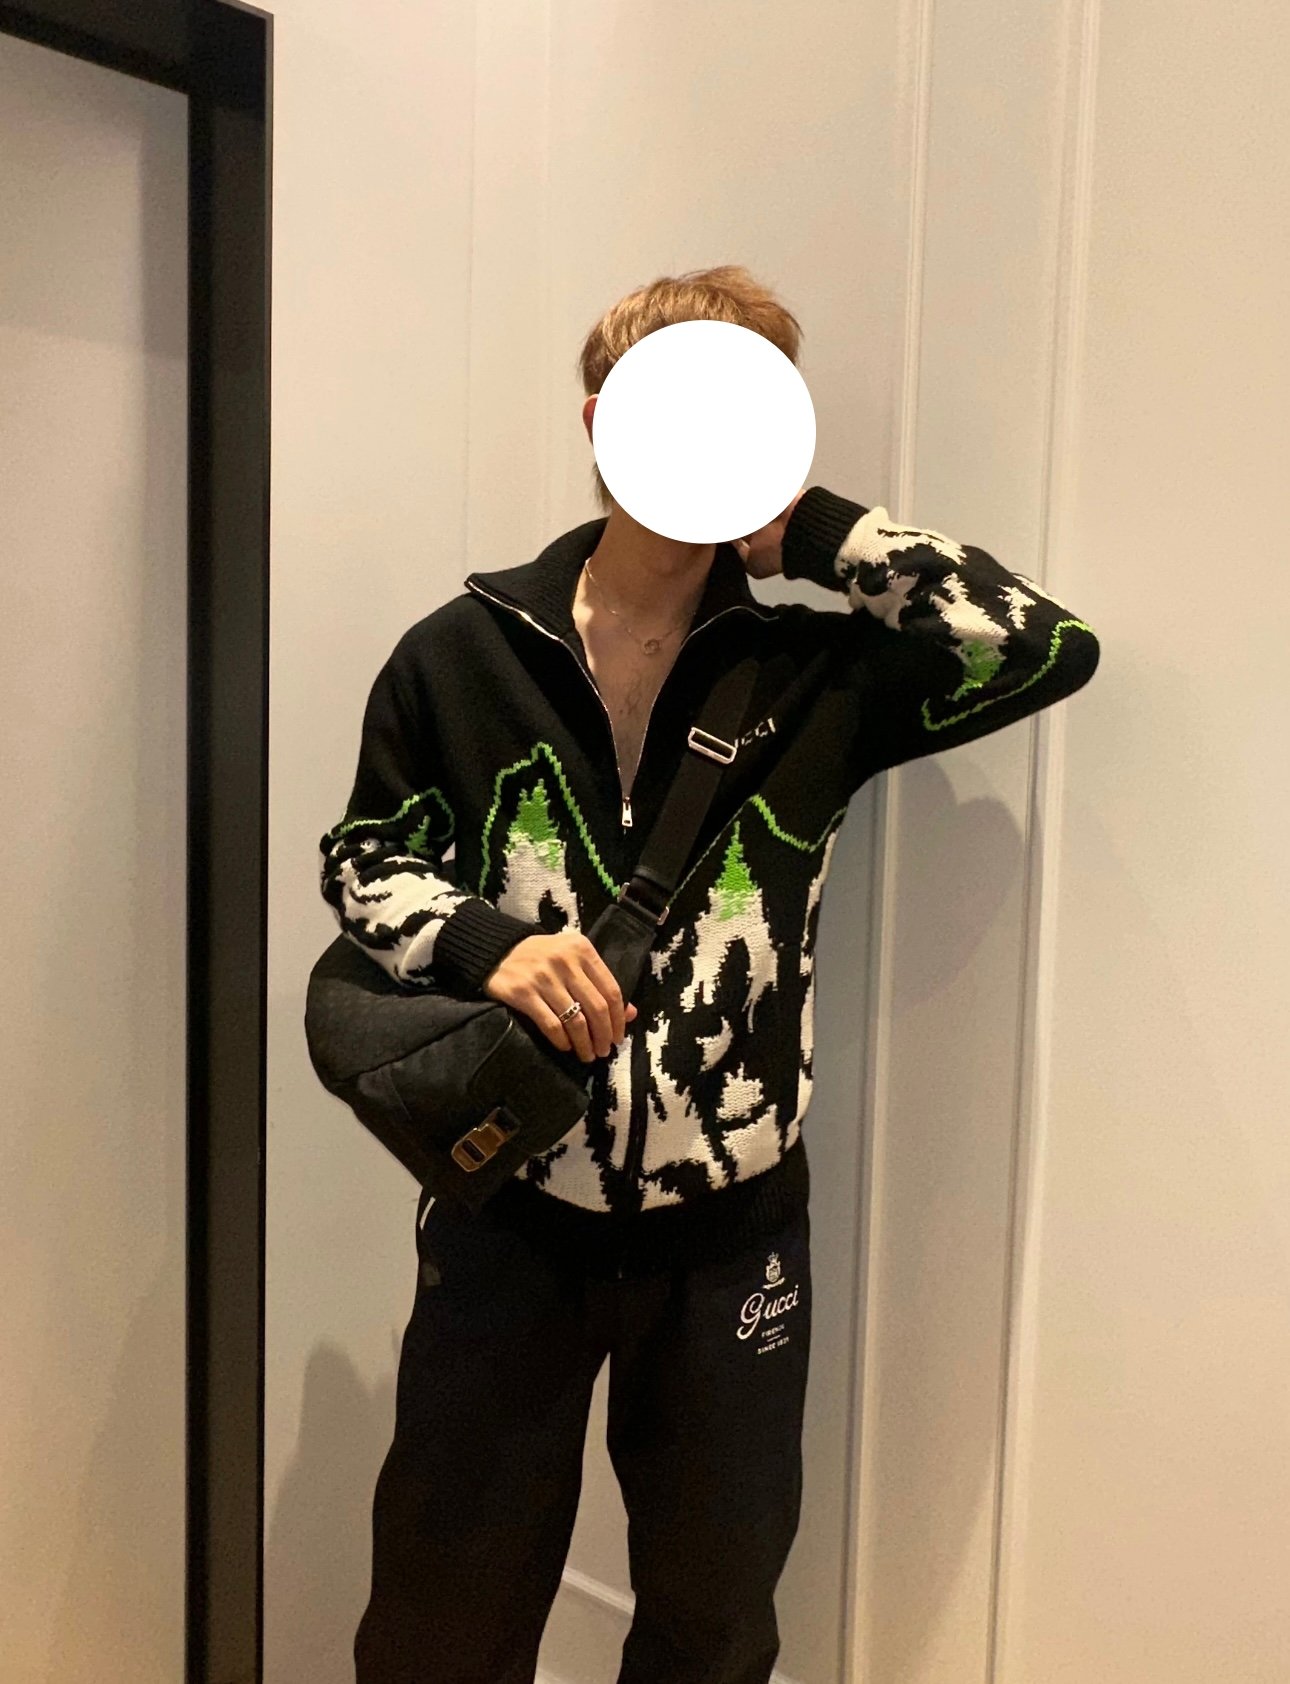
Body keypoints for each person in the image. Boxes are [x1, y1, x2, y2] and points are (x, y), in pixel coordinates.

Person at [317, 265, 1101, 1684]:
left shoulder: (815, 675)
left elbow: (1043, 646)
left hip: (734, 1232)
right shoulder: (462, 654)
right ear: (599, 418)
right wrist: (491, 946)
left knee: (714, 1626)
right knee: (442, 1618)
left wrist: (814, 531)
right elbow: (364, 860)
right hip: (508, 1216)